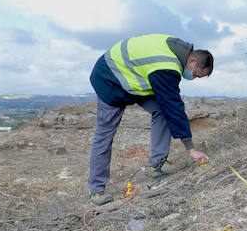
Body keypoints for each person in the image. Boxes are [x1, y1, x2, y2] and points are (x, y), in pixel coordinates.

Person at [87, 34, 214, 205]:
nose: (194, 78)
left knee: (162, 110)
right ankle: (97, 189)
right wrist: (190, 148)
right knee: (105, 133)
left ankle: (157, 164)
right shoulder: (167, 66)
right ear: (191, 61)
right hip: (109, 78)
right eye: (197, 75)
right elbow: (174, 107)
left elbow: (168, 104)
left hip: (136, 77)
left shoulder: (176, 51)